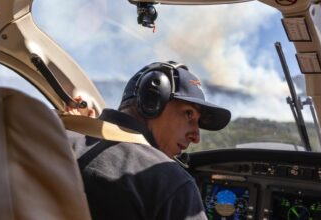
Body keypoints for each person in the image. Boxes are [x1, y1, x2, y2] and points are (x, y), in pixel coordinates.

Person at [74, 61, 231, 220]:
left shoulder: (62, 139)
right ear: (152, 100)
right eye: (188, 114)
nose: (196, 137)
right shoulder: (171, 184)